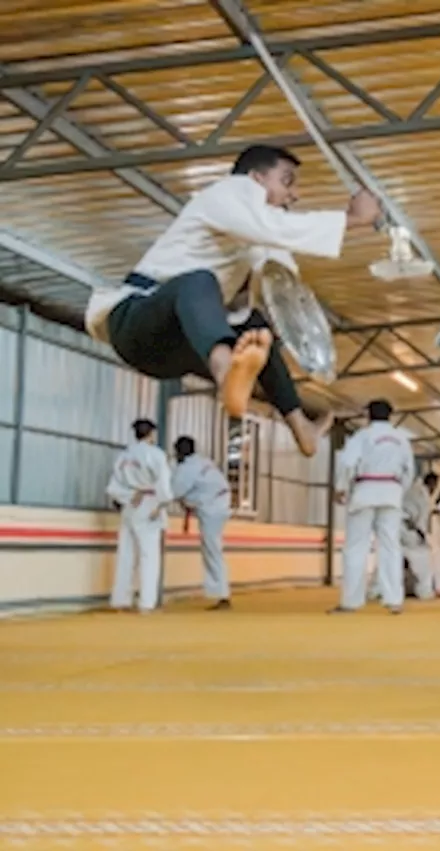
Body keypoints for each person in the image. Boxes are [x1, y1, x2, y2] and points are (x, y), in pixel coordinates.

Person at [81, 145, 381, 457]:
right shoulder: (227, 194)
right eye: (287, 181)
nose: (294, 195)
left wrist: (292, 340)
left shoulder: (262, 239)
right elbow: (275, 229)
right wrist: (351, 219)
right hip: (135, 322)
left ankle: (299, 425)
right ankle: (228, 376)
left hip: (177, 349)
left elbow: (287, 292)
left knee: (256, 326)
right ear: (255, 179)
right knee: (199, 281)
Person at [331, 399, 415, 614]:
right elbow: (409, 471)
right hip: (392, 493)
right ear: (390, 415)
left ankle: (351, 601)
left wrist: (341, 487)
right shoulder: (401, 438)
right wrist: (398, 491)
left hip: (365, 490)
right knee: (390, 547)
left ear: (368, 414)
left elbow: (348, 463)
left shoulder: (362, 436)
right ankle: (394, 600)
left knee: (356, 547)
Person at [106, 419, 172, 614]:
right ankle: (146, 603)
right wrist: (162, 504)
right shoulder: (156, 455)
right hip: (150, 502)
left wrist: (126, 496)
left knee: (126, 553)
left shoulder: (124, 457)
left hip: (130, 504)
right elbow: (164, 484)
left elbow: (113, 487)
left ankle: (120, 600)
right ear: (151, 434)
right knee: (148, 555)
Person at [171, 436, 233, 610]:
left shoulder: (186, 469)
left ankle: (223, 595)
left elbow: (174, 491)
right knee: (213, 548)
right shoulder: (203, 461)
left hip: (211, 508)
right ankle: (220, 593)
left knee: (212, 550)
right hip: (220, 503)